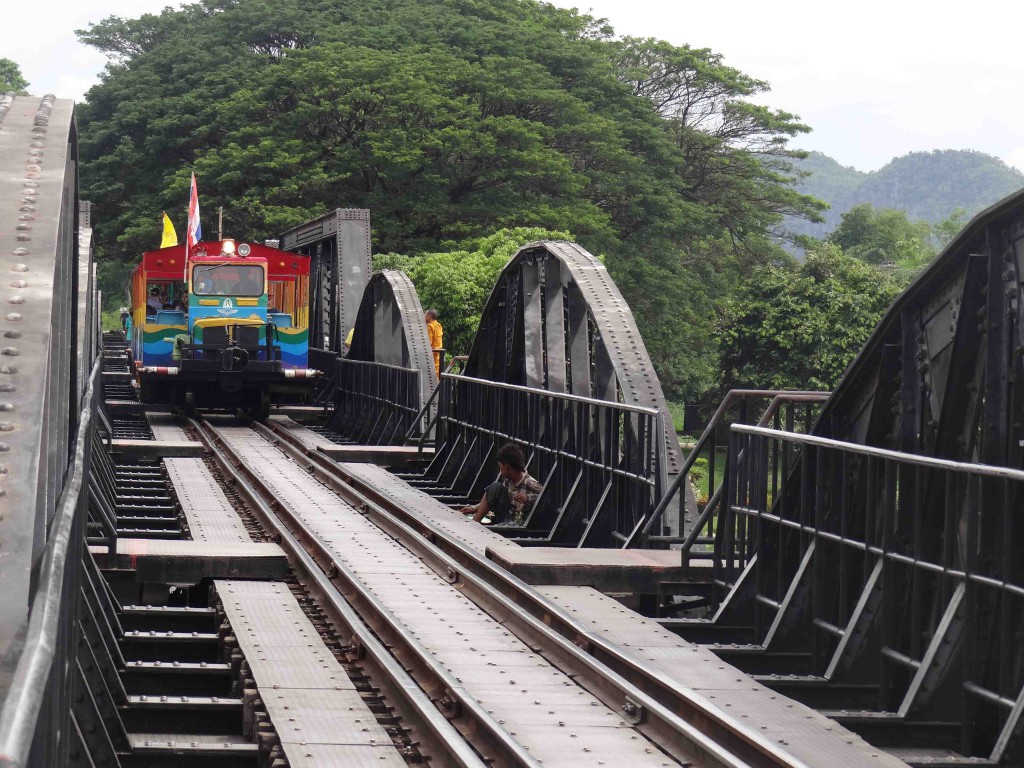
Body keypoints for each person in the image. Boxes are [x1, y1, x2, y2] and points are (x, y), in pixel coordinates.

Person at [461, 443, 542, 526]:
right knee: (495, 487)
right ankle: (475, 523)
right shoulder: (508, 481)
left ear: (507, 466)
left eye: (500, 466)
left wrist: (528, 497)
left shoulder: (530, 482)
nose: (500, 470)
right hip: (508, 515)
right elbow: (492, 497)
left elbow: (544, 499)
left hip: (521, 521)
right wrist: (473, 508)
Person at [425, 308, 443, 375]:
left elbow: (428, 342)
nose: (424, 316)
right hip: (438, 351)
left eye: (425, 314)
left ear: (429, 316)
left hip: (432, 352)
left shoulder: (430, 326)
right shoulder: (438, 325)